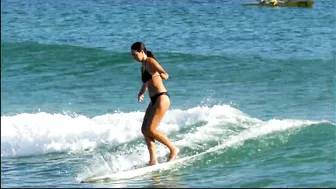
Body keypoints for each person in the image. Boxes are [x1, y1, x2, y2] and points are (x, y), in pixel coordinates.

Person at [130, 42, 179, 165]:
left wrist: (163, 75)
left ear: (142, 52)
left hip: (162, 98)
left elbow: (164, 73)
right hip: (154, 99)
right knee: (144, 129)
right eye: (132, 55)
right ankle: (153, 160)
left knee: (150, 129)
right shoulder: (143, 66)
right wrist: (141, 93)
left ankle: (173, 149)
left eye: (135, 54)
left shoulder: (150, 61)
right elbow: (146, 83)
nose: (134, 57)